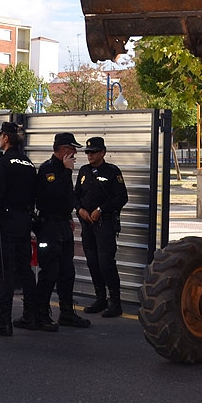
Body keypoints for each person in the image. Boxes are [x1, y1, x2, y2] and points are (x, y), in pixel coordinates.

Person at [0, 122, 38, 336]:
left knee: (4, 270)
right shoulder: (28, 163)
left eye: (1, 136)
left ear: (5, 137)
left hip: (6, 220)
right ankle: (30, 314)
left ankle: (3, 321)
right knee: (25, 269)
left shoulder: (4, 162)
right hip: (24, 219)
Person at [34, 132, 91, 331]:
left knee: (68, 272)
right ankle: (40, 314)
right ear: (63, 149)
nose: (75, 152)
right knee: (50, 271)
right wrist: (66, 172)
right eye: (72, 148)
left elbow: (66, 197)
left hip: (62, 225)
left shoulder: (65, 169)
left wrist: (69, 217)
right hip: (48, 226)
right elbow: (52, 194)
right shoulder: (49, 169)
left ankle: (67, 313)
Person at [75, 136, 128, 318]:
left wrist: (101, 209)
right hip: (87, 224)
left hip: (104, 223)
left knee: (106, 262)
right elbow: (76, 195)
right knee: (92, 261)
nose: (90, 155)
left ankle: (115, 302)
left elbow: (122, 197)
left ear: (103, 152)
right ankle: (100, 298)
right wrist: (80, 210)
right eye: (88, 152)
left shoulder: (112, 172)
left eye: (93, 152)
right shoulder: (84, 171)